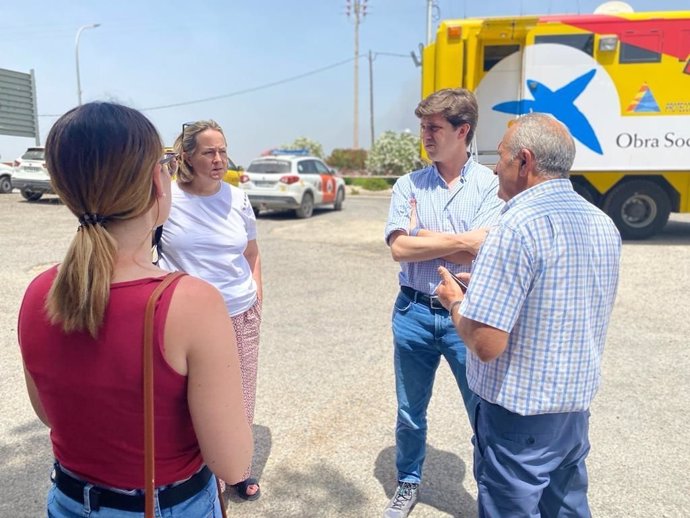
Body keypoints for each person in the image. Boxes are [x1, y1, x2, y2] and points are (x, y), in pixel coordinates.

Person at [17, 102, 253, 517]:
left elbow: (48, 415)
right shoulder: (190, 303)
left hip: (68, 500)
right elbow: (231, 463)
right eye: (164, 163)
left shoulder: (40, 291)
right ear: (155, 183)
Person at [436, 113, 622, 517]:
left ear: (525, 161)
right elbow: (558, 297)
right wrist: (490, 285)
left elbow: (486, 344)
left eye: (500, 157)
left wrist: (456, 301)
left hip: (518, 419)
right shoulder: (602, 222)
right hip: (572, 411)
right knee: (567, 508)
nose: (494, 166)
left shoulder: (515, 225)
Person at [383, 88, 504, 517]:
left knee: (482, 413)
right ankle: (408, 482)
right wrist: (459, 242)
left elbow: (486, 250)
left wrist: (422, 235)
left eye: (434, 127)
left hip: (467, 314)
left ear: (462, 130)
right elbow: (398, 250)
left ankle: (491, 493)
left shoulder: (491, 184)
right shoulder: (407, 184)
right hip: (413, 312)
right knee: (410, 411)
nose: (425, 136)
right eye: (423, 127)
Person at [157, 120, 263, 501]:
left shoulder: (237, 198)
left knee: (240, 396)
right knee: (189, 401)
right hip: (185, 321)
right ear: (186, 156)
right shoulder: (166, 199)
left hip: (239, 312)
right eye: (208, 152)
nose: (219, 159)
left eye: (223, 150)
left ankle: (236, 470)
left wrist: (257, 298)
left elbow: (251, 254)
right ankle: (198, 478)